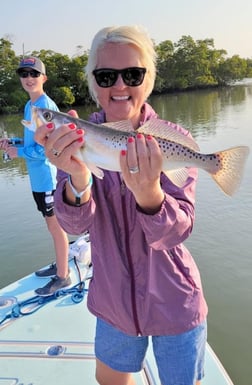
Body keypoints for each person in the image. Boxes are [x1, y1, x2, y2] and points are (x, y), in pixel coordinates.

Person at [35, 26, 208, 385]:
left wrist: (150, 197)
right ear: (92, 82)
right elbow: (73, 226)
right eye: (106, 75)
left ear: (149, 78)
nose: (119, 86)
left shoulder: (175, 141)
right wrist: (78, 178)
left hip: (175, 301)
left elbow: (179, 231)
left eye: (132, 74)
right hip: (111, 302)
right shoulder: (74, 138)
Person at [5, 56, 71, 296]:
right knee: (50, 224)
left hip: (48, 179)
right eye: (24, 74)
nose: (29, 78)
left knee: (55, 227)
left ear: (44, 78)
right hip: (37, 180)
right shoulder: (29, 106)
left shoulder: (46, 107)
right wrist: (13, 143)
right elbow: (33, 141)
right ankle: (60, 263)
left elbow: (48, 149)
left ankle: (63, 276)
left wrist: (18, 152)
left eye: (34, 74)